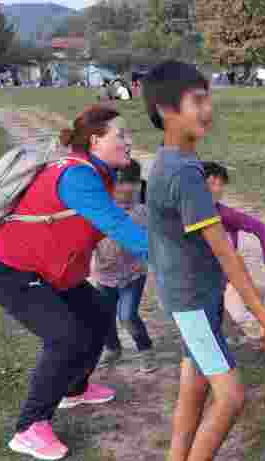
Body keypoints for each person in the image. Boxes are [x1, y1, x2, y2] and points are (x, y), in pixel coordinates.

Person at [142, 60, 265, 461]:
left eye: (208, 98)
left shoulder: (178, 163)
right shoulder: (184, 175)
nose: (208, 109)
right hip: (191, 299)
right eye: (197, 100)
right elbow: (225, 252)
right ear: (166, 110)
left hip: (195, 295)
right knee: (231, 396)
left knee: (195, 381)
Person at [0, 105, 147, 461]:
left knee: (100, 314)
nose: (129, 142)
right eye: (122, 135)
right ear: (96, 140)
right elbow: (117, 225)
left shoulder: (99, 172)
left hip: (56, 272)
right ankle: (29, 427)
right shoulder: (77, 176)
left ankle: (75, 389)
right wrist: (170, 258)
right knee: (65, 336)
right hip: (13, 270)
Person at [201, 161, 265, 368]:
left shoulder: (224, 214)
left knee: (242, 314)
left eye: (220, 184)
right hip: (202, 281)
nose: (217, 189)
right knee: (208, 321)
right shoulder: (184, 215)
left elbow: (258, 227)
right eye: (211, 182)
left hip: (230, 277)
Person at [91, 159, 156, 372]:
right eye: (120, 182)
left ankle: (145, 350)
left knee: (127, 316)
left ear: (138, 184)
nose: (126, 187)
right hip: (104, 274)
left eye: (131, 182)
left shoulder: (143, 211)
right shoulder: (98, 208)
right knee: (103, 315)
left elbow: (155, 240)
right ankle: (113, 349)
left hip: (133, 274)